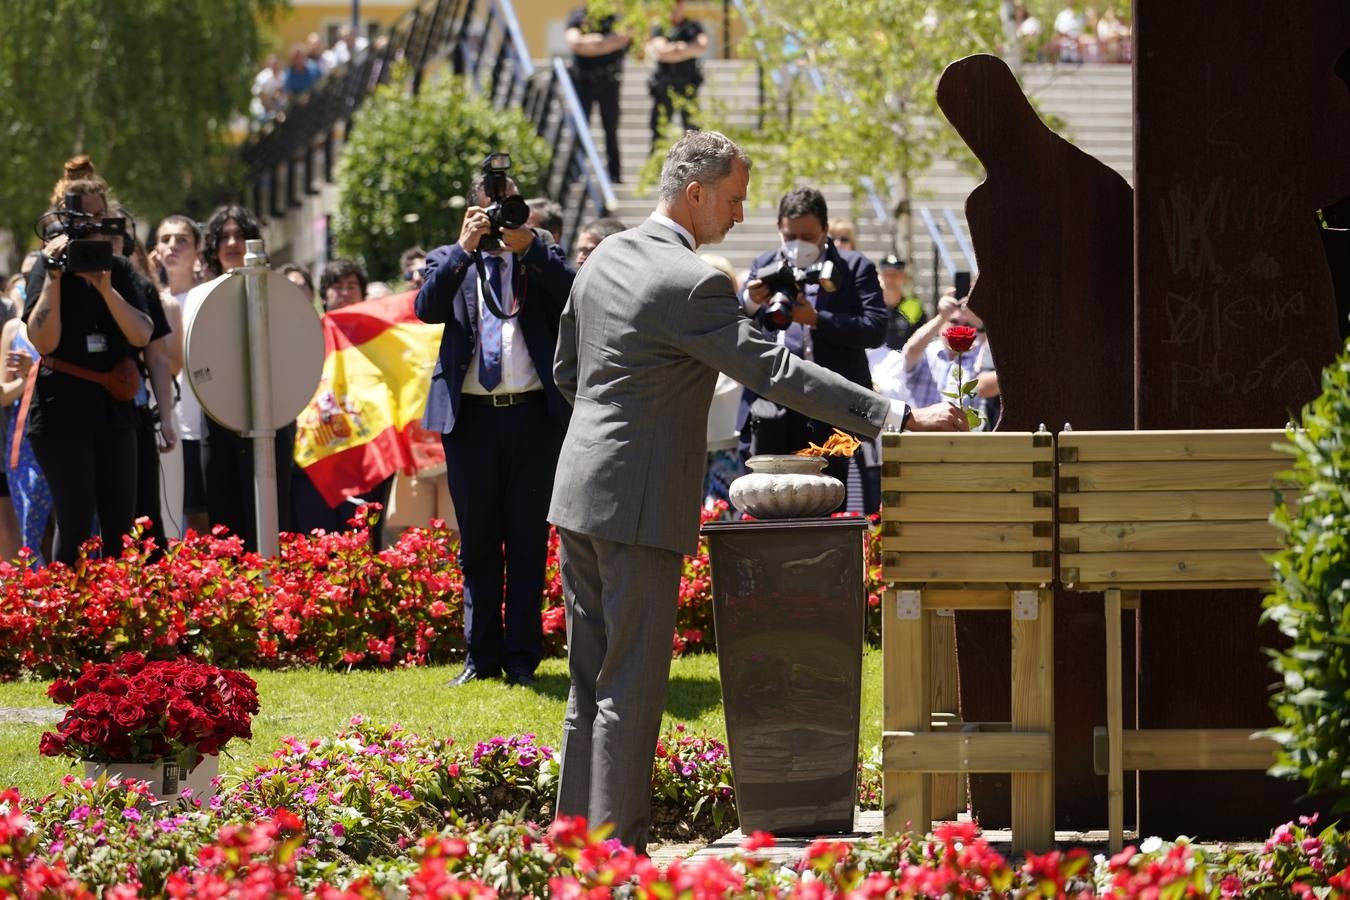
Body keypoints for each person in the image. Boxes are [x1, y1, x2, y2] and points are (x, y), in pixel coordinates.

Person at [549, 130, 967, 853]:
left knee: (588, 683)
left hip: (578, 489)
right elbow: (777, 373)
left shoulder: (604, 257)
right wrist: (897, 416)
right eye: (735, 199)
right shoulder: (692, 282)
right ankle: (616, 859)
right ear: (695, 193)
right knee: (631, 685)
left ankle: (574, 849)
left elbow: (566, 371)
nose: (740, 216)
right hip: (640, 500)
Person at [416, 169, 575, 688]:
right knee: (479, 544)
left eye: (511, 206)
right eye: (493, 208)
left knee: (528, 540)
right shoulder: (450, 258)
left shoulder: (539, 258)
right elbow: (426, 308)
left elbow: (575, 296)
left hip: (532, 417)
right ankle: (479, 657)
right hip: (471, 421)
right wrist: (465, 247)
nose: (502, 218)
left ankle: (522, 658)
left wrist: (529, 248)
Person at [22, 157, 155, 565]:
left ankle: (120, 617)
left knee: (121, 525)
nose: (94, 226)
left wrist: (105, 287)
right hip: (62, 413)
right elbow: (43, 340)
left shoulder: (118, 269)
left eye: (102, 217)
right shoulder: (47, 267)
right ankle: (71, 621)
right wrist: (56, 278)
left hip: (114, 413)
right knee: (76, 521)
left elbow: (141, 334)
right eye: (85, 218)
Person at [737, 187, 887, 504]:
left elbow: (874, 329)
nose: (798, 244)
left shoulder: (853, 267)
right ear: (779, 227)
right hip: (772, 405)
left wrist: (817, 318)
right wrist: (751, 300)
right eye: (791, 235)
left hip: (832, 406)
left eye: (808, 236)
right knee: (766, 497)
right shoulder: (764, 264)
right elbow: (736, 324)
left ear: (824, 231)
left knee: (828, 499)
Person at [184, 206, 296, 552]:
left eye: (240, 235)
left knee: (272, 519)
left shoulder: (274, 291)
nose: (233, 244)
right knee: (225, 525)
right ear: (213, 246)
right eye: (225, 237)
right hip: (218, 419)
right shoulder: (199, 296)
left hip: (271, 418)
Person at [566, 4, 631, 183]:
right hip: (584, 82)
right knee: (581, 128)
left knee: (611, 129)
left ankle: (615, 174)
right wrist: (606, 42)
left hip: (609, 82)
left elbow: (623, 38)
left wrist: (592, 44)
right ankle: (576, 173)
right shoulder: (579, 16)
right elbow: (575, 43)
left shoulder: (615, 18)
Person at [644, 0, 707, 152]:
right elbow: (661, 52)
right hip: (665, 86)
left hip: (688, 86)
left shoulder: (693, 26)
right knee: (659, 132)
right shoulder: (660, 26)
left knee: (694, 133)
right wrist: (685, 49)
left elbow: (702, 46)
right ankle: (654, 172)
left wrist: (676, 50)